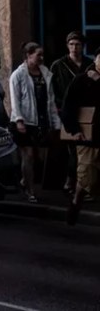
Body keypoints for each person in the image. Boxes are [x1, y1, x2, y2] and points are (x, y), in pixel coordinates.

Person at [10, 41, 61, 202]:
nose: (41, 57)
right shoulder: (18, 75)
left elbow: (50, 100)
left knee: (41, 156)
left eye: (42, 54)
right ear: (28, 55)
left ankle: (25, 179)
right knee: (28, 155)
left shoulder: (45, 74)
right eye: (38, 54)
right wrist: (19, 120)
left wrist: (56, 122)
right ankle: (30, 190)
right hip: (25, 121)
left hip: (42, 120)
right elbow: (15, 100)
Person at [62, 53, 100, 225]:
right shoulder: (81, 80)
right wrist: (74, 130)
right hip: (88, 137)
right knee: (86, 177)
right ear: (96, 59)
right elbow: (68, 105)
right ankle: (76, 201)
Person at [52, 32, 90, 194]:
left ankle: (82, 183)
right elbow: (52, 89)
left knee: (85, 147)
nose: (75, 47)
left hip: (87, 110)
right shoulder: (59, 65)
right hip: (65, 110)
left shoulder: (89, 64)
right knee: (72, 147)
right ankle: (70, 180)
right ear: (67, 46)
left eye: (78, 44)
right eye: (72, 44)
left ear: (82, 46)